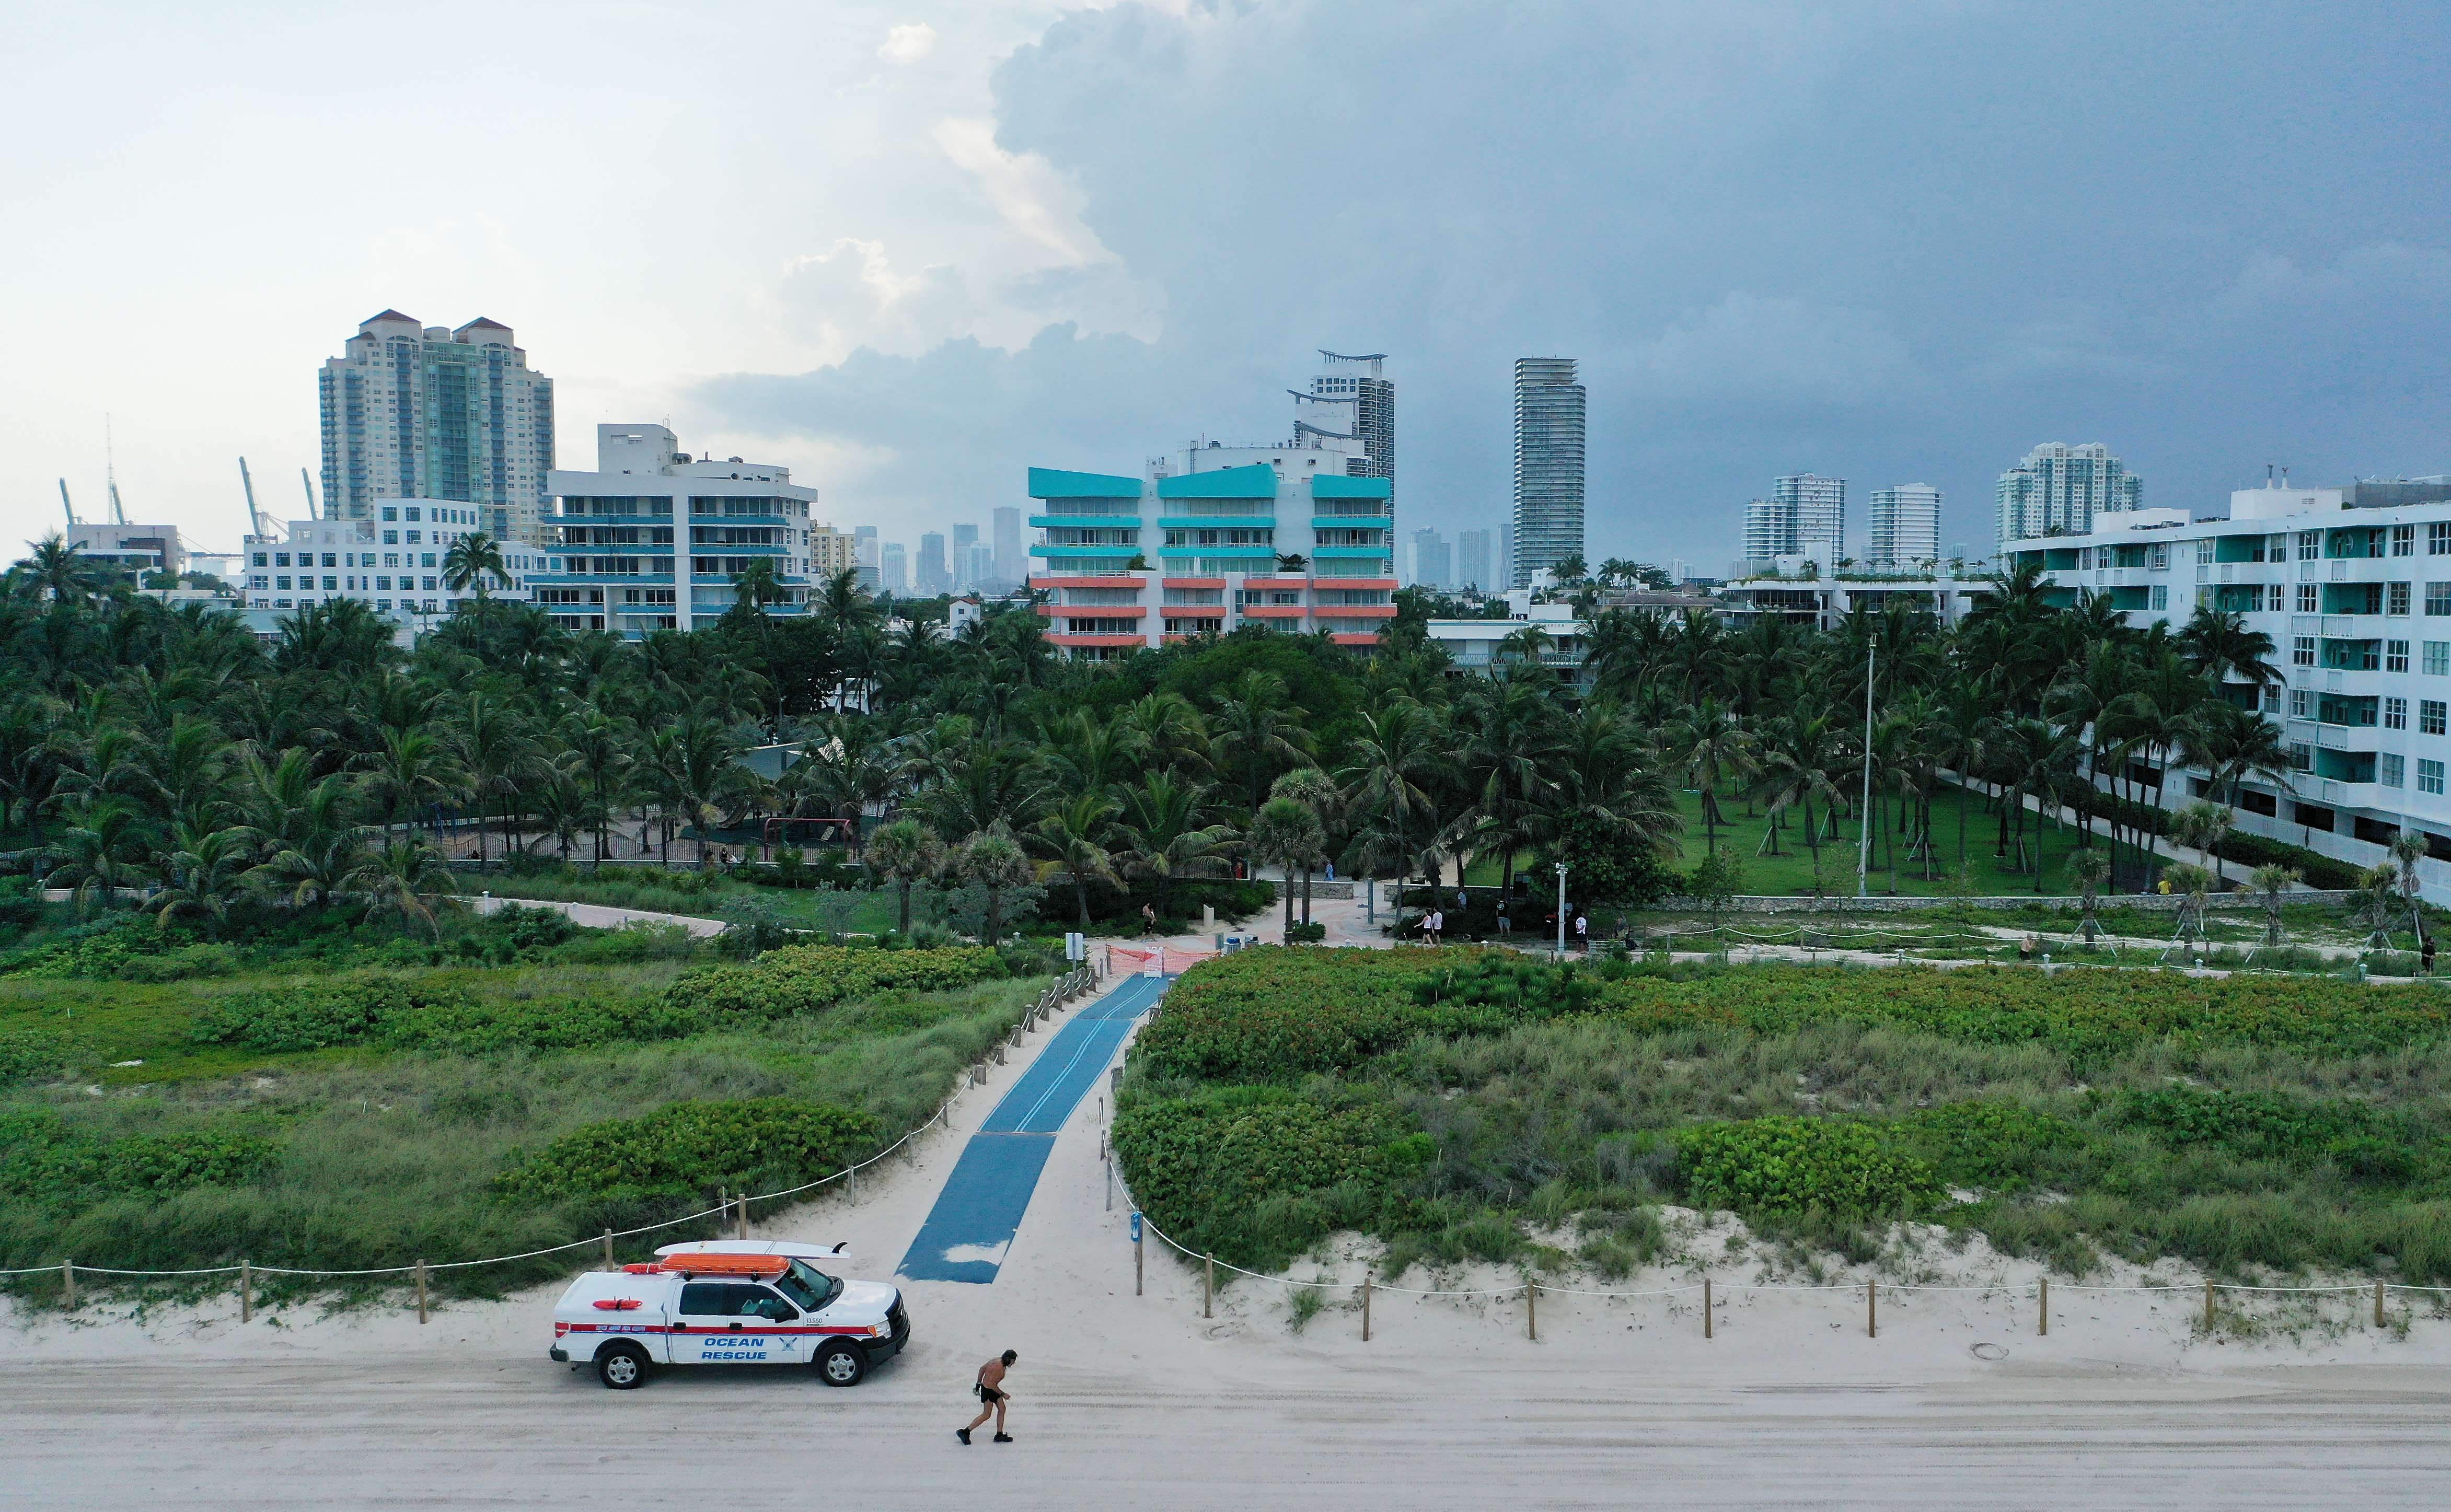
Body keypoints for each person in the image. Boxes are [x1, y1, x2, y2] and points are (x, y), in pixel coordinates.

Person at [958, 1350, 1018, 1444]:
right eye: (1013, 1360)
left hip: (991, 1389)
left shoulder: (996, 1360)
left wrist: (978, 1383)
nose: (1014, 1363)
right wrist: (1003, 1394)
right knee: (986, 1415)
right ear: (1008, 1359)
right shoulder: (999, 1368)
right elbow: (991, 1384)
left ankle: (999, 1435)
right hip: (989, 1390)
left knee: (1002, 1409)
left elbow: (982, 1369)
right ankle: (965, 1432)